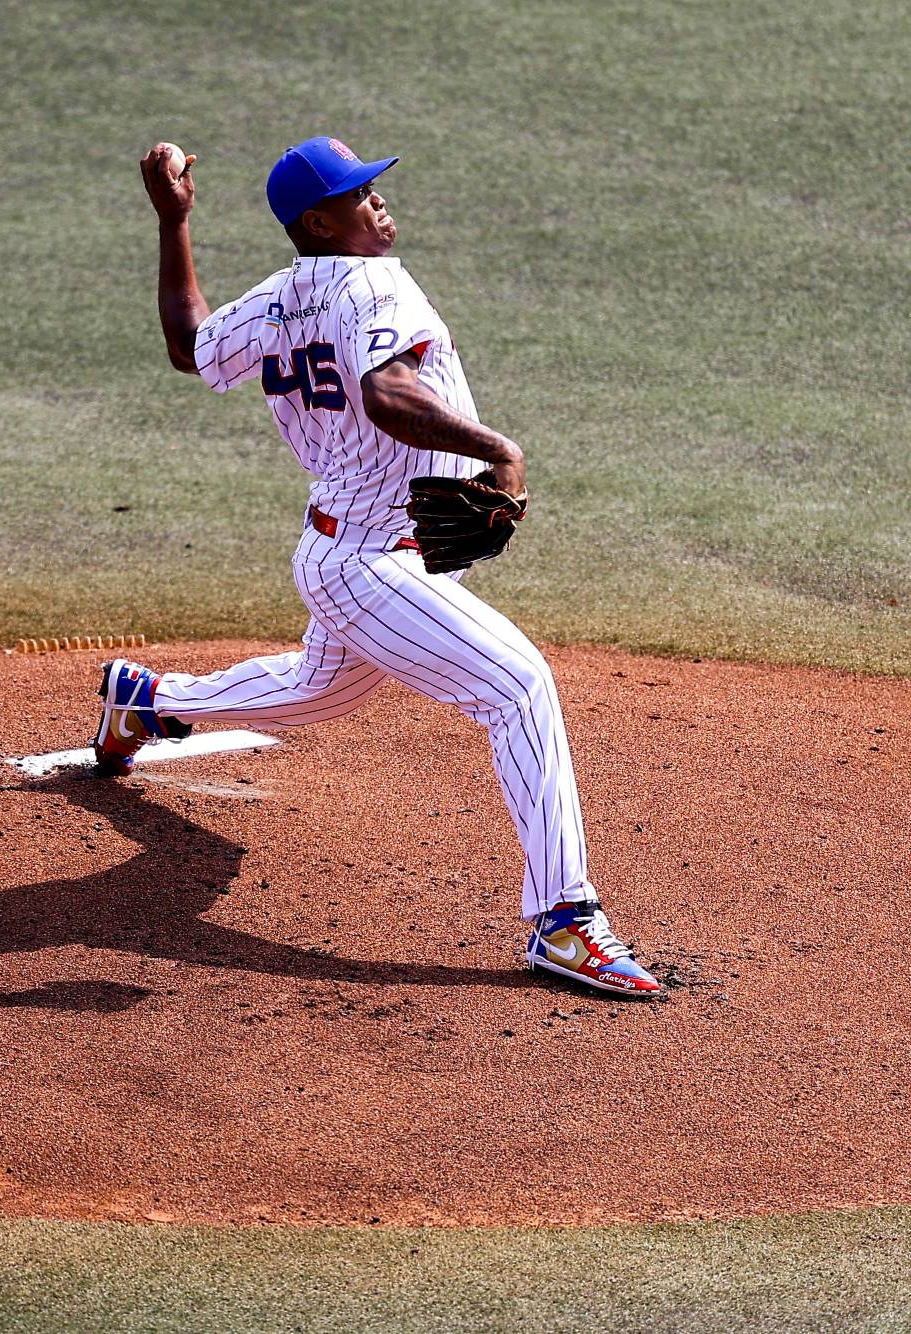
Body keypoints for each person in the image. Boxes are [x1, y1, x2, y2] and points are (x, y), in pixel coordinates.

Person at [108, 134, 658, 997]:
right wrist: (496, 449)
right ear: (320, 221)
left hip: (344, 551)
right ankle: (564, 921)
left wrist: (174, 224)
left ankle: (142, 702)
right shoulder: (376, 283)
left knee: (314, 693)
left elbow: (188, 344)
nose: (379, 203)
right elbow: (387, 392)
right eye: (359, 196)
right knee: (516, 686)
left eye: (374, 188)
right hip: (370, 562)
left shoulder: (277, 298)